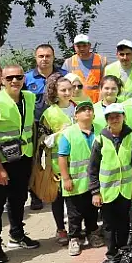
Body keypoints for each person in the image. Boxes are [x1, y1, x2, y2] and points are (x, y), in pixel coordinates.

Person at [0, 64, 40, 263]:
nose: (15, 81)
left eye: (19, 77)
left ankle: (17, 234)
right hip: (2, 163)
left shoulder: (30, 98)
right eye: (9, 78)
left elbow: (31, 128)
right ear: (2, 81)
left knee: (19, 199)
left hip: (23, 158)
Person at [88, 103, 132, 256]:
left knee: (123, 222)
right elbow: (92, 168)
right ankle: (111, 253)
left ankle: (123, 250)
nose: (115, 120)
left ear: (124, 117)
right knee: (108, 224)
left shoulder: (131, 136)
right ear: (107, 120)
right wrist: (95, 192)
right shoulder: (100, 139)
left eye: (118, 116)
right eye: (111, 117)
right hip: (107, 191)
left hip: (125, 190)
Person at [57, 99, 101, 256]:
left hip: (93, 183)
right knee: (74, 213)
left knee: (92, 211)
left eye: (89, 109)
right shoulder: (68, 134)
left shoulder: (100, 131)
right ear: (76, 116)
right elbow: (62, 157)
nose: (87, 111)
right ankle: (74, 237)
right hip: (75, 183)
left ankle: (92, 233)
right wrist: (66, 178)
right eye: (83, 110)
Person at [41, 73, 77, 245]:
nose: (67, 92)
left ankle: (76, 229)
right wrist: (60, 134)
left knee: (75, 197)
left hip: (77, 161)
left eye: (70, 89)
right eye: (63, 90)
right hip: (56, 162)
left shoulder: (79, 108)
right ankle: (60, 229)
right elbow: (43, 141)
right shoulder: (49, 114)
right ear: (55, 92)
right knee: (58, 197)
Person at [25, 44, 65, 117]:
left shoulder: (64, 75)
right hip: (35, 122)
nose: (44, 59)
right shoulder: (27, 78)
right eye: (41, 56)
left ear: (53, 57)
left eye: (48, 56)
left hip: (60, 120)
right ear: (36, 58)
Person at [63, 34, 105, 103]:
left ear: (89, 46)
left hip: (97, 102)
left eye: (84, 46)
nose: (82, 49)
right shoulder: (68, 62)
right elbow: (63, 85)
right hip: (76, 103)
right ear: (74, 47)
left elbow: (106, 84)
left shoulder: (102, 61)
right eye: (78, 46)